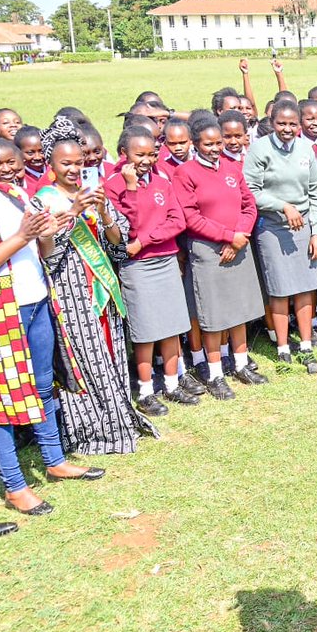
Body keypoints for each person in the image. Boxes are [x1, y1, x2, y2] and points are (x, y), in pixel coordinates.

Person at [0, 137, 102, 522]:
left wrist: (46, 232)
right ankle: (15, 486)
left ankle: (54, 460)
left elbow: (42, 251)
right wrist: (22, 235)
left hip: (36, 301)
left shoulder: (14, 194)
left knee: (44, 384)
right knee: (0, 402)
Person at [34, 117, 157, 455]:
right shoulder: (43, 201)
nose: (74, 169)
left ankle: (120, 418)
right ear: (51, 164)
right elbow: (48, 256)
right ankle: (94, 430)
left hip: (103, 289)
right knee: (87, 361)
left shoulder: (93, 192)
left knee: (112, 353)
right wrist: (73, 213)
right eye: (66, 163)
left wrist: (103, 213)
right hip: (71, 291)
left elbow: (117, 243)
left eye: (79, 162)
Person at [105, 126, 200, 416]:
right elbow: (126, 229)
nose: (146, 160)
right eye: (139, 154)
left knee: (172, 324)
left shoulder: (161, 182)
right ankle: (146, 391)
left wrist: (146, 240)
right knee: (145, 330)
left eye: (151, 154)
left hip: (164, 259)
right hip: (137, 266)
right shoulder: (113, 185)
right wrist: (132, 189)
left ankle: (172, 383)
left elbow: (177, 222)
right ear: (124, 154)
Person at [174, 118, 267, 401]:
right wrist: (227, 236)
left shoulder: (231, 168)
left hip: (237, 246)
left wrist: (239, 235)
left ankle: (240, 364)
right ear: (195, 144)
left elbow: (249, 205)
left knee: (239, 308)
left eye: (218, 143)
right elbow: (190, 217)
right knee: (213, 315)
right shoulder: (185, 173)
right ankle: (215, 373)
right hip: (208, 251)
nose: (215, 148)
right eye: (208, 144)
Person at [244, 100, 317, 369]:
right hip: (273, 227)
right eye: (281, 123)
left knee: (304, 287)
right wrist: (283, 206)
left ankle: (305, 345)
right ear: (272, 122)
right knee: (279, 290)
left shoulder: (305, 149)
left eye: (292, 124)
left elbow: (316, 192)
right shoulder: (259, 149)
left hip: (303, 228)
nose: (287, 129)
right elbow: (251, 190)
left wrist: (316, 232)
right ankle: (282, 348)